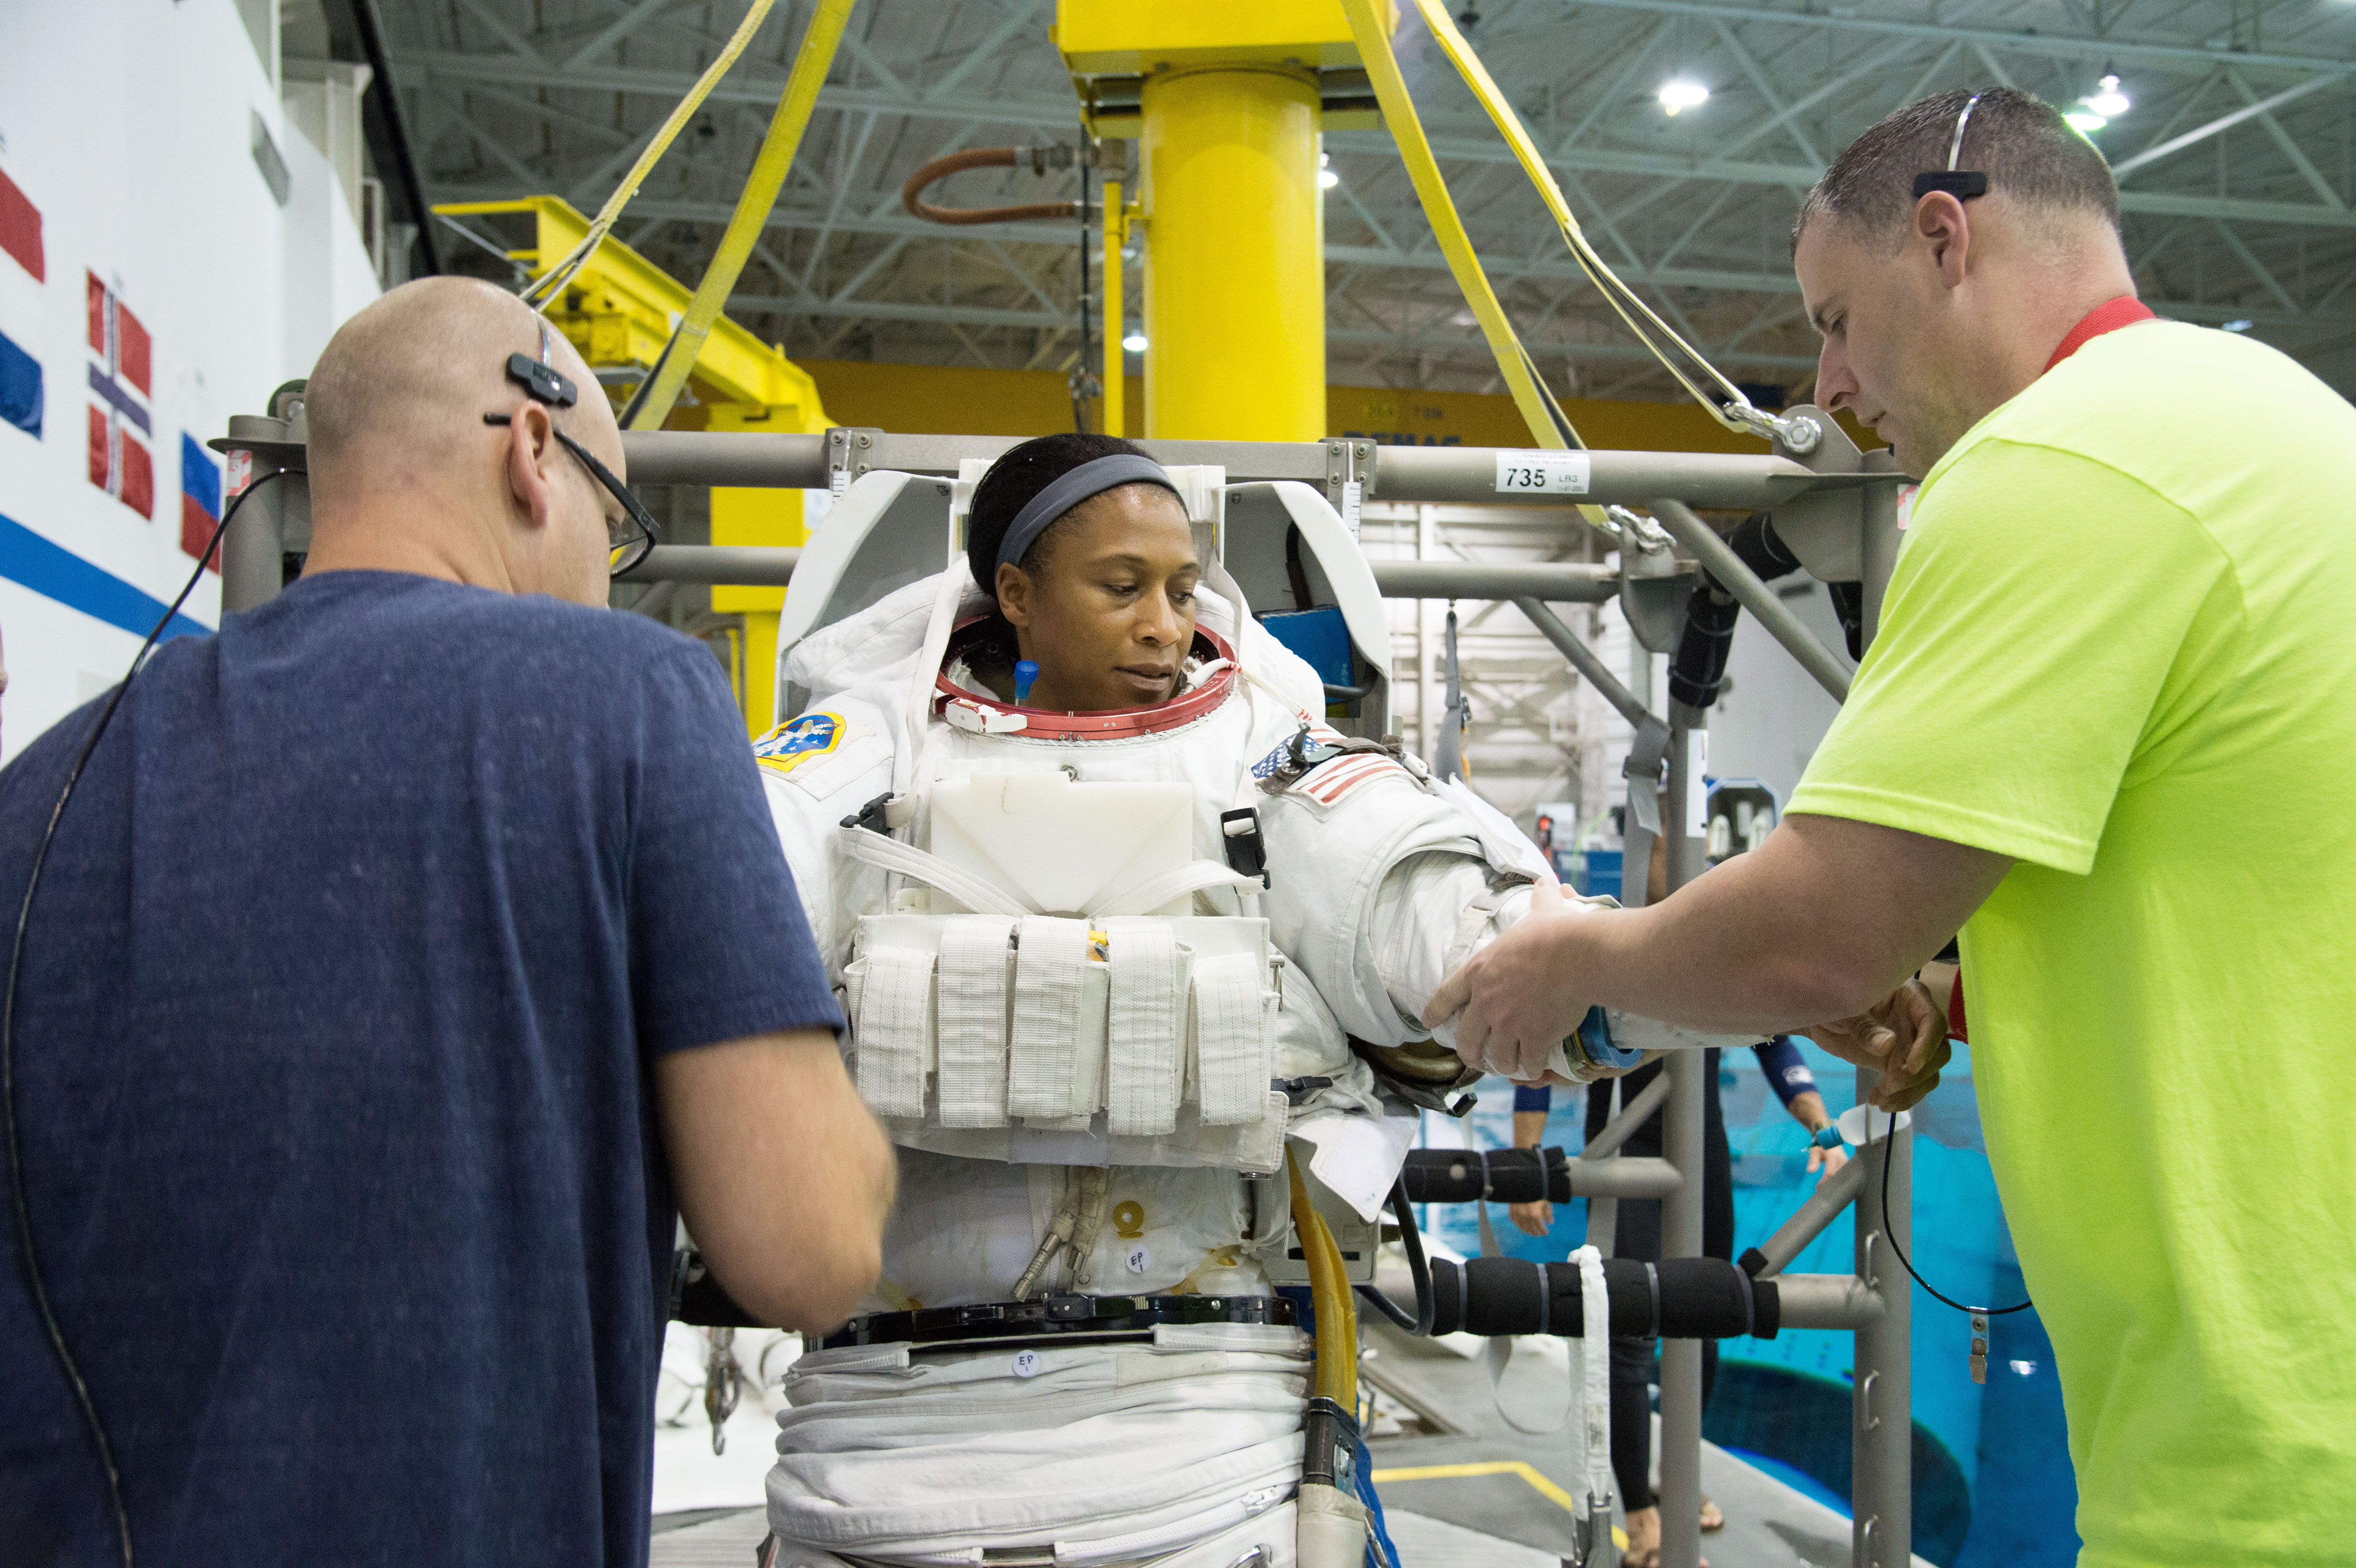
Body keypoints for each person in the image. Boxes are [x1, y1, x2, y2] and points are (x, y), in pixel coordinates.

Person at [1425, 86, 2356, 1566]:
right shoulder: (2277, 423)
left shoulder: (2064, 460)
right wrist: (1965, 992)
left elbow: (1810, 938)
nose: (1833, 382)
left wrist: (1576, 955)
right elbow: (2259, 872)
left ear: (1941, 239)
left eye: (1835, 319)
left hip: (2274, 1429)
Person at [0, 276, 894, 1565]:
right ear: (534, 449)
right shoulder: (629, 697)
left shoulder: (46, 784)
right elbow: (808, 1246)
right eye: (614, 515)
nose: (603, 565)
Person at [744, 431, 1753, 1567]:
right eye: (1121, 587)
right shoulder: (869, 754)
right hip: (881, 1433)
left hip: (1212, 1428)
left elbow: (1457, 922)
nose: (1165, 623)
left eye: (1181, 588)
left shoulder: (1267, 759)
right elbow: (712, 890)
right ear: (1014, 594)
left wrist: (1720, 977)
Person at [1510, 1040, 1843, 1567]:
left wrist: (1822, 1129)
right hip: (1625, 1146)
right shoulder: (1607, 961)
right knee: (1629, 1334)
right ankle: (1641, 1520)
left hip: (1702, 1150)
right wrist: (1526, 1163)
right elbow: (1536, 1051)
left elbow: (1776, 1041)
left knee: (1709, 1316)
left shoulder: (1722, 966)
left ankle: (1678, 1478)